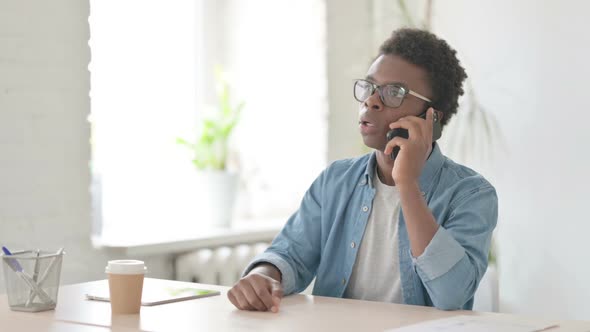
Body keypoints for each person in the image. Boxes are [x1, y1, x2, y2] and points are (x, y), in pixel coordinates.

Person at [227, 28, 498, 312]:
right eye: (369, 87)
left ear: (433, 118)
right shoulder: (335, 180)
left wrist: (406, 183)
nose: (371, 101)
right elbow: (290, 254)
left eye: (394, 92)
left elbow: (451, 295)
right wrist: (263, 276)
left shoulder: (471, 194)